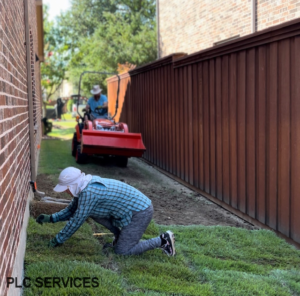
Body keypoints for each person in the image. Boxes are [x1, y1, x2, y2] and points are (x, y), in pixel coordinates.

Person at [36, 167, 176, 256]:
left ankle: (163, 240)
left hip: (139, 212)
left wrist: (58, 240)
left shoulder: (89, 192)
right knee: (93, 212)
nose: (66, 192)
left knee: (122, 252)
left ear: (73, 185)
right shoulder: (85, 186)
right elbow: (72, 210)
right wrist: (51, 218)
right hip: (128, 211)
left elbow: (77, 220)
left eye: (66, 188)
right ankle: (120, 238)